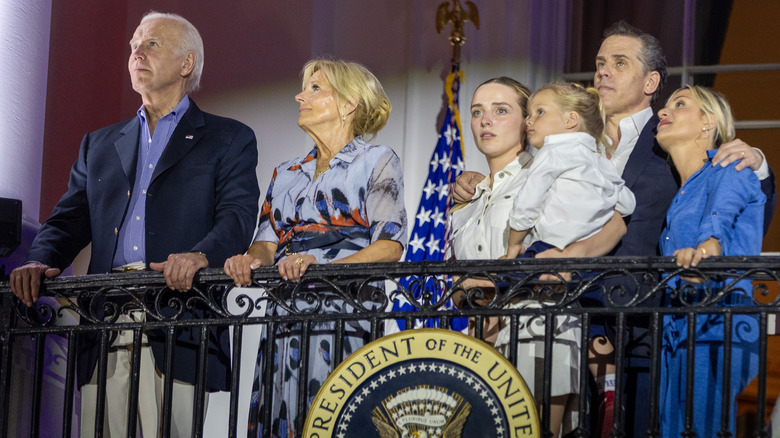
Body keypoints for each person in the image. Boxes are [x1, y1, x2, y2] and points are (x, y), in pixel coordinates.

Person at [454, 21, 776, 437]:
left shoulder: (670, 141)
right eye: (600, 62)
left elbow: (735, 199)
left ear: (650, 81)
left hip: (642, 327)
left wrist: (757, 159)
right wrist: (474, 183)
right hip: (564, 326)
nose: (603, 71)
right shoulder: (568, 137)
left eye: (619, 63)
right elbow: (518, 185)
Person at [9, 12, 260, 438]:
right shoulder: (101, 143)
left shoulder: (229, 139)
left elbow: (237, 216)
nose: (136, 53)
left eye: (152, 45)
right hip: (103, 320)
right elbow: (69, 217)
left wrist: (200, 256)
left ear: (186, 63)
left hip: (177, 319)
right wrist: (38, 259)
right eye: (133, 46)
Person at [223, 58, 407, 437]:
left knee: (335, 421)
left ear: (349, 103)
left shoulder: (377, 160)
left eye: (315, 89)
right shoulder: (285, 172)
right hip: (284, 320)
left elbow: (389, 248)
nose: (300, 96)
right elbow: (265, 244)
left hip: (343, 320)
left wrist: (320, 267)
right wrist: (249, 260)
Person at [449, 77, 627, 437]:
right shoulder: (465, 203)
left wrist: (563, 261)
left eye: (501, 111)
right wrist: (467, 290)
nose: (486, 120)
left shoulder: (553, 167)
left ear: (527, 120)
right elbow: (459, 283)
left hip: (538, 327)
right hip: (480, 350)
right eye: (477, 111)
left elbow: (615, 222)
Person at [655, 85, 763, 436]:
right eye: (666, 106)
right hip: (679, 330)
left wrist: (706, 252)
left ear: (709, 123)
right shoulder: (682, 192)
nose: (663, 112)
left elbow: (721, 219)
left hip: (717, 328)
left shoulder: (728, 167)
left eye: (680, 104)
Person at [504, 82, 635, 259]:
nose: (528, 120)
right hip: (589, 257)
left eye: (540, 112)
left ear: (570, 120)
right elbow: (628, 204)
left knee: (499, 282)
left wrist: (514, 244)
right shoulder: (601, 162)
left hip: (548, 248)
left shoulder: (552, 150)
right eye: (528, 114)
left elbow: (528, 202)